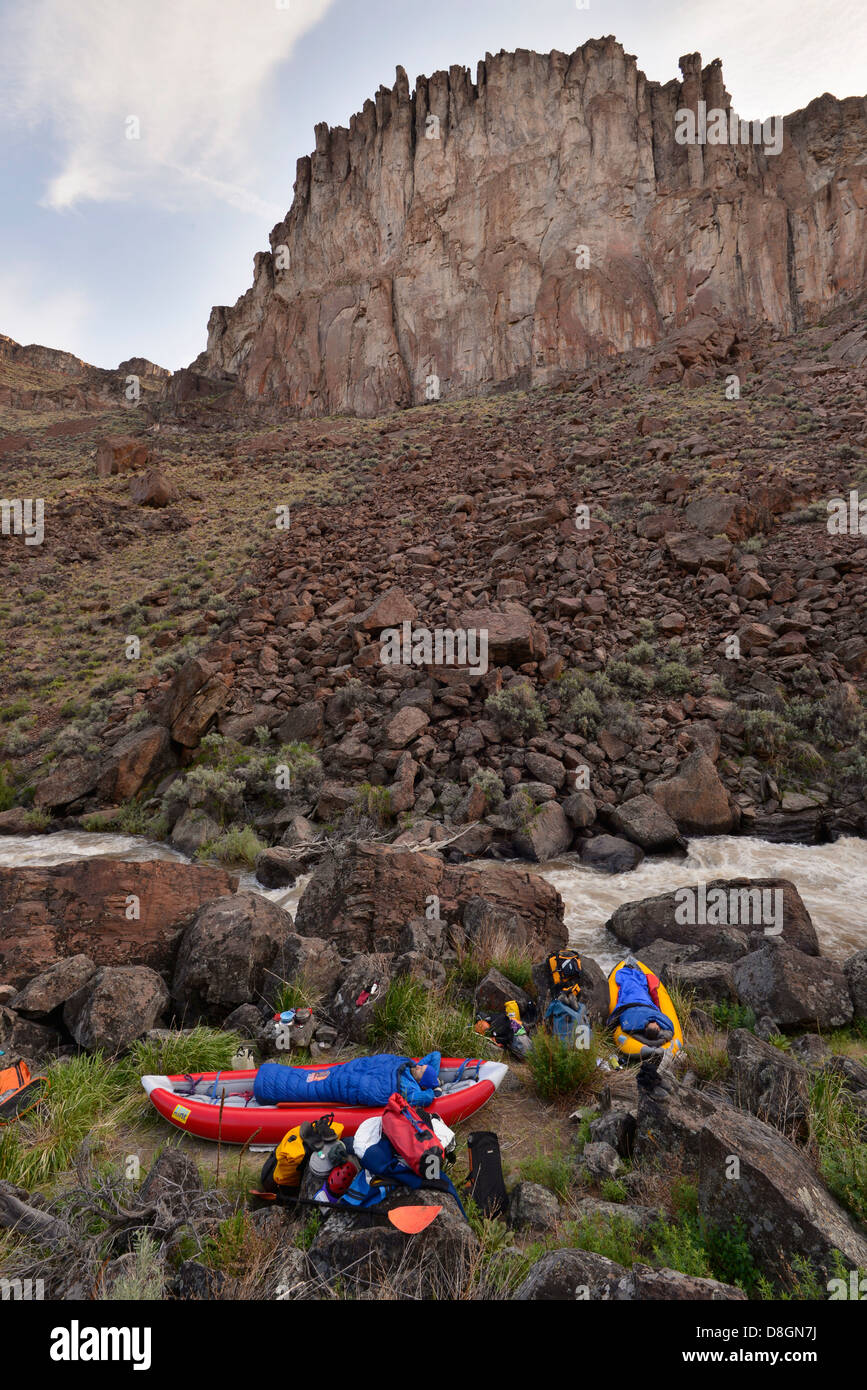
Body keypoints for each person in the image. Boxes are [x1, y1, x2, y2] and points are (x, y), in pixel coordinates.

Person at [609, 957, 674, 1041]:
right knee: (641, 987)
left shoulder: (631, 1024)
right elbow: (669, 1025)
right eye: (658, 1026)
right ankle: (632, 973)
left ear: (646, 1029)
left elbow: (619, 1019)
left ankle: (629, 972)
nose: (656, 1023)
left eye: (656, 1026)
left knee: (630, 985)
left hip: (631, 1003)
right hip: (646, 1003)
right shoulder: (656, 1019)